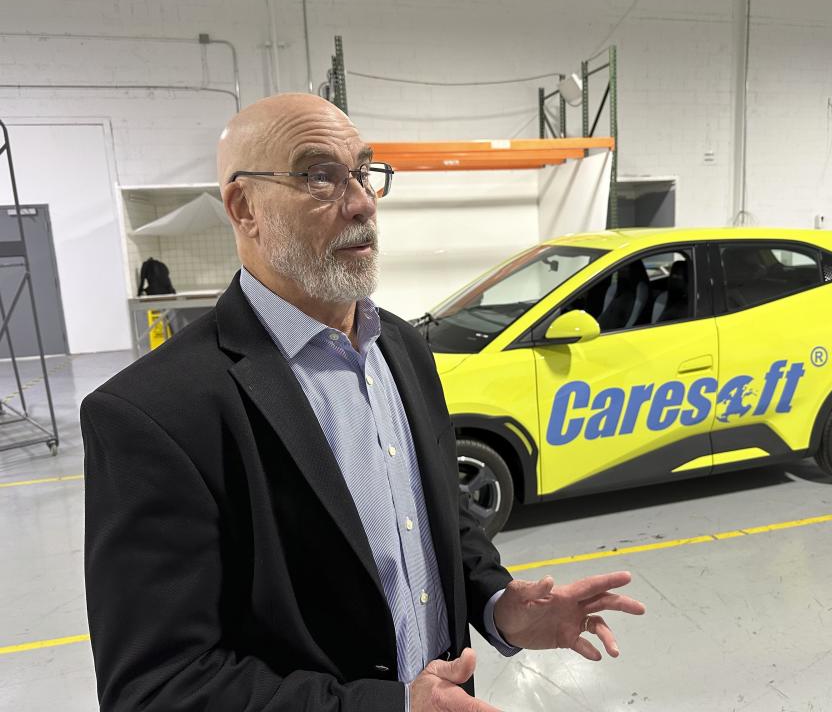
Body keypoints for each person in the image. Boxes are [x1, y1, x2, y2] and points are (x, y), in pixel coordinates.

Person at [81, 93, 646, 712]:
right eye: (319, 176)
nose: (361, 202)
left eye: (363, 171)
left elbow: (435, 516)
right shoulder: (154, 413)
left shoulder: (401, 346)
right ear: (245, 208)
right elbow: (158, 688)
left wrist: (498, 602)